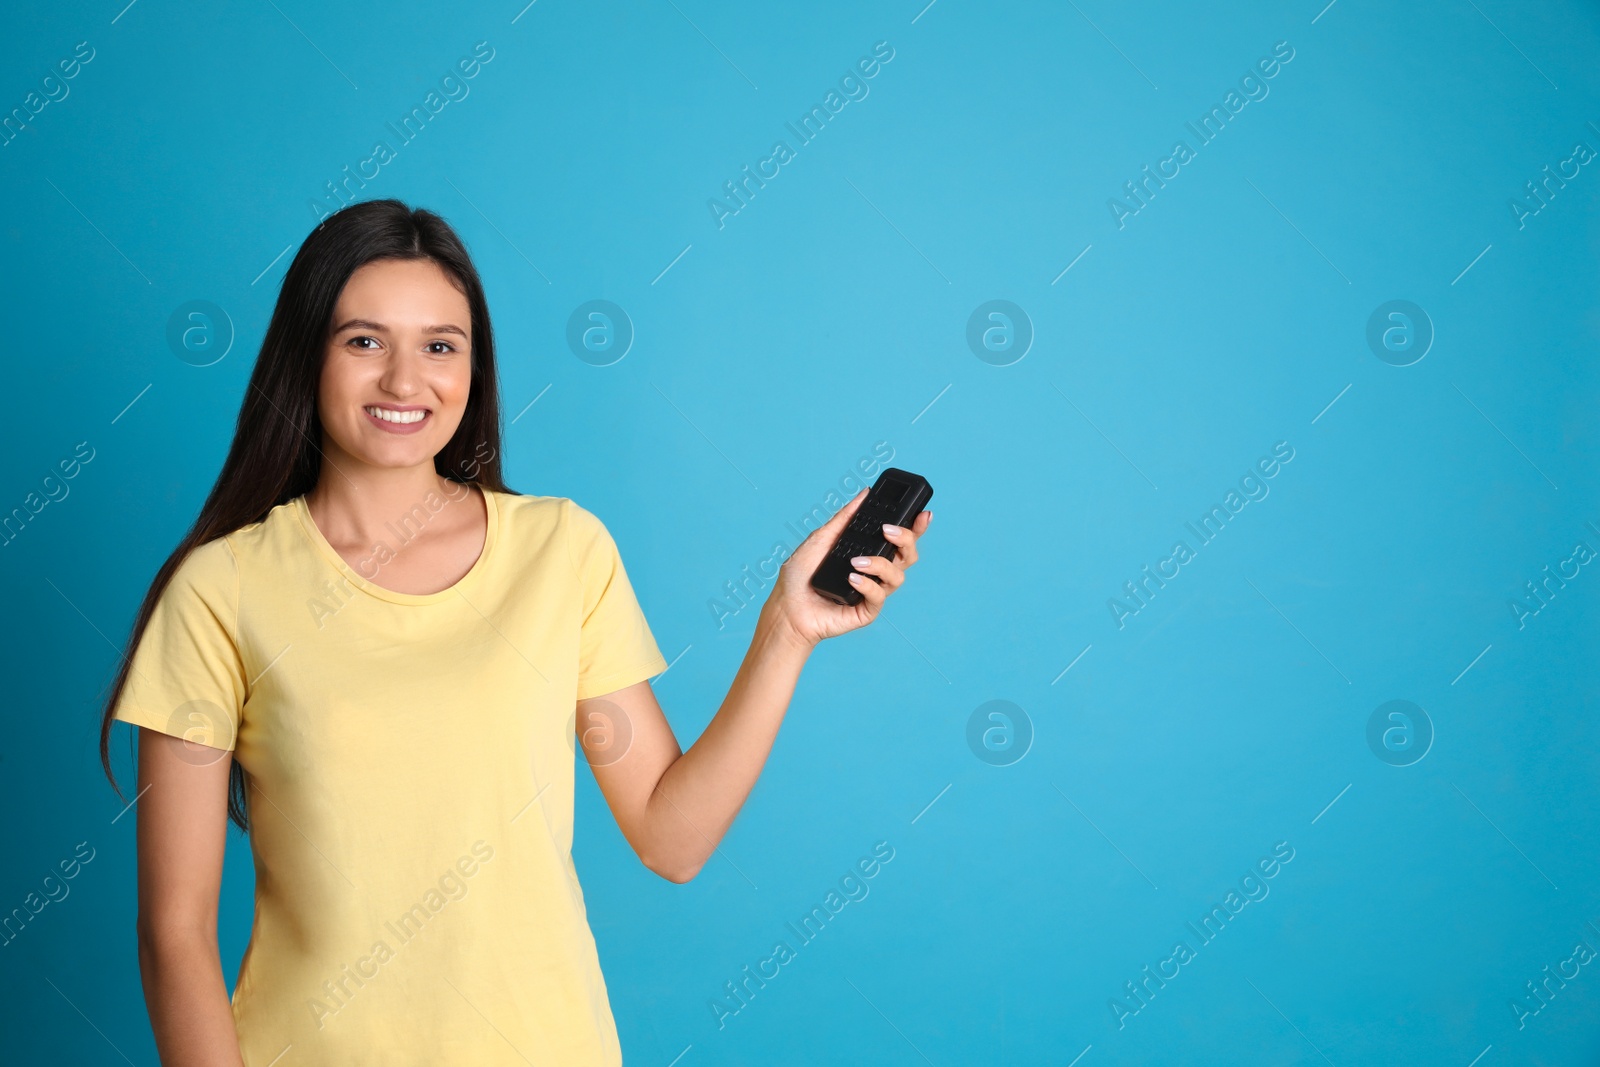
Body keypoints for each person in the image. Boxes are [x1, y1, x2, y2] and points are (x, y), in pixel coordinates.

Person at [97, 199, 931, 1066]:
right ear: (307, 355)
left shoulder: (561, 551)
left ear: (475, 366)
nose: (404, 379)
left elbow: (670, 837)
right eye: (364, 340)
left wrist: (786, 631)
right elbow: (175, 931)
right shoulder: (220, 591)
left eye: (439, 345)